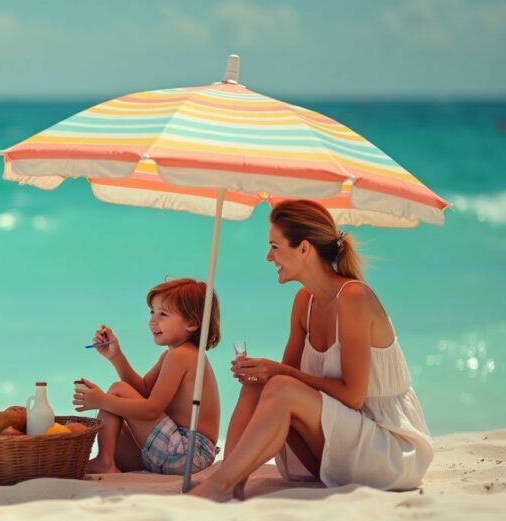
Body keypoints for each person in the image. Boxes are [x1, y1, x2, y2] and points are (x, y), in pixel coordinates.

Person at [189, 199, 434, 502]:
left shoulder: (354, 297)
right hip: (336, 448)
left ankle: (220, 485)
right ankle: (232, 480)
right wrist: (260, 373)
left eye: (275, 247)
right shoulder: (304, 302)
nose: (269, 257)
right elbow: (284, 382)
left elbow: (353, 397)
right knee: (261, 384)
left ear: (304, 249)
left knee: (278, 383)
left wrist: (278, 372)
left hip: (387, 449)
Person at [75, 278, 221, 476]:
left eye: (163, 314)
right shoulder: (174, 354)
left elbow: (152, 409)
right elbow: (142, 390)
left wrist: (101, 400)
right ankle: (107, 460)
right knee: (113, 429)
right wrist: (116, 357)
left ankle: (105, 462)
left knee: (117, 390)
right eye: (152, 312)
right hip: (184, 453)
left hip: (188, 452)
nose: (153, 321)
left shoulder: (182, 355)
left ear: (192, 324)